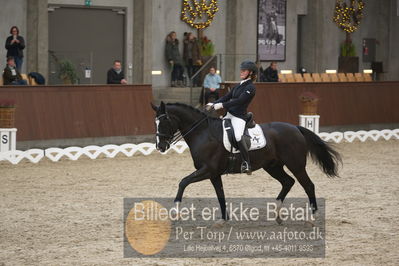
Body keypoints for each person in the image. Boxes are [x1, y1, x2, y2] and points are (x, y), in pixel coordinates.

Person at [206, 61, 257, 175]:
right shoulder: (238, 85)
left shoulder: (250, 87)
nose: (241, 72)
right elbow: (226, 97)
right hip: (229, 115)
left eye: (244, 70)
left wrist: (222, 105)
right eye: (241, 70)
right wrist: (213, 103)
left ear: (251, 73)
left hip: (239, 116)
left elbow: (240, 101)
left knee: (238, 136)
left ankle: (246, 163)